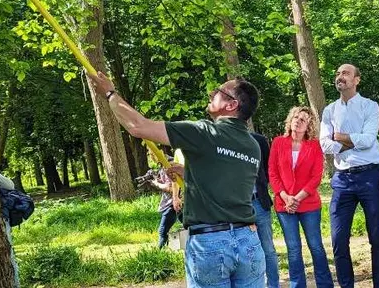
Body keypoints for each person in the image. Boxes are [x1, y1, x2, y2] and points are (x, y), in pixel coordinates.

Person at [89, 72, 265, 287]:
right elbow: (226, 181)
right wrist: (188, 172)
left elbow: (137, 126)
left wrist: (109, 93)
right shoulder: (252, 145)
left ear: (232, 105)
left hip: (210, 243)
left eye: (218, 91)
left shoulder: (204, 132)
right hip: (249, 242)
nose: (211, 93)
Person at [320, 64, 379, 288]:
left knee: (377, 237)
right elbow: (324, 144)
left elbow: (369, 139)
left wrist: (339, 137)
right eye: (338, 73)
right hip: (342, 180)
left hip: (369, 176)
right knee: (339, 240)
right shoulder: (329, 110)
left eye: (346, 73)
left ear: (357, 80)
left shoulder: (370, 106)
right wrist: (350, 142)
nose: (340, 77)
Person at [269, 106, 334, 288]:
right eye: (296, 117)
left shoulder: (314, 146)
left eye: (303, 119)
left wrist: (296, 198)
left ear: (309, 126)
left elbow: (316, 177)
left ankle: (325, 284)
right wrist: (286, 197)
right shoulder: (278, 142)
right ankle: (297, 285)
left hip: (309, 204)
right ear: (290, 120)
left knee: (316, 246)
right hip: (284, 205)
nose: (298, 121)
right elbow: (272, 173)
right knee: (293, 249)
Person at [250, 131, 281, 288]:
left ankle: (273, 285)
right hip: (234, 208)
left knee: (268, 248)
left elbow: (269, 170)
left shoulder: (259, 140)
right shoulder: (221, 140)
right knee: (244, 251)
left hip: (259, 203)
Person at [151, 154, 181, 249]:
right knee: (190, 227)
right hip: (174, 203)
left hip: (173, 204)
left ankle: (159, 254)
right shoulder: (162, 166)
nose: (150, 156)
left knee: (162, 230)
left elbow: (172, 187)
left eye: (151, 153)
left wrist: (158, 184)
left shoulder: (169, 165)